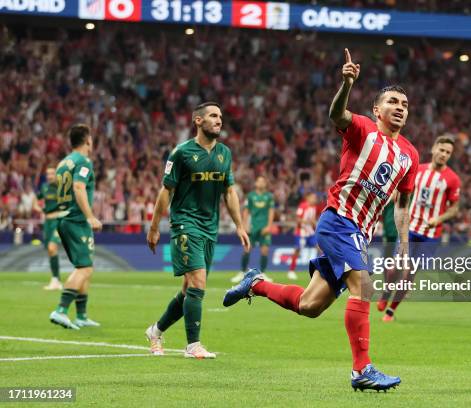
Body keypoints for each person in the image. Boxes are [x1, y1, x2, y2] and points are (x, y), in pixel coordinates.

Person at [223, 49, 419, 391]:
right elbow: (336, 114)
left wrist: (403, 241)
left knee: (309, 306)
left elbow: (402, 203)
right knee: (364, 285)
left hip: (361, 232)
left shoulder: (410, 155)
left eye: (404, 103)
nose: (400, 107)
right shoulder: (362, 129)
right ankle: (362, 370)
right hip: (339, 220)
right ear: (377, 110)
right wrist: (346, 84)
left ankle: (256, 283)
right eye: (392, 101)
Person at [145, 102, 250, 359]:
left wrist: (238, 225)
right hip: (184, 224)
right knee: (198, 283)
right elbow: (165, 191)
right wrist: (154, 226)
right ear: (198, 121)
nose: (219, 120)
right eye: (213, 116)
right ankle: (193, 345)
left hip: (209, 228)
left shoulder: (224, 153)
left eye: (221, 117)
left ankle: (155, 331)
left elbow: (228, 191)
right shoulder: (181, 153)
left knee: (188, 289)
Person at [380, 135, 461, 321]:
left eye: (448, 152)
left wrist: (439, 218)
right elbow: (401, 189)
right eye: (441, 150)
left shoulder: (452, 179)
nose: (444, 155)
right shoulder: (418, 170)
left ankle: (391, 311)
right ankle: (386, 292)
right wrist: (391, 198)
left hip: (430, 235)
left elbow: (454, 209)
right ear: (434, 149)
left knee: (410, 273)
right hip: (410, 226)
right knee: (395, 267)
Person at [49, 124, 102, 330]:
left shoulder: (64, 163)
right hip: (76, 220)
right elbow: (78, 187)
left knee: (84, 267)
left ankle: (81, 315)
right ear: (88, 139)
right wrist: (90, 217)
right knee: (85, 268)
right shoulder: (84, 161)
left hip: (64, 218)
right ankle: (61, 310)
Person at [231, 175, 275, 283]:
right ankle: (242, 272)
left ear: (265, 184)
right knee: (247, 249)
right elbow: (246, 211)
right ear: (255, 183)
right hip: (253, 227)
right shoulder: (250, 196)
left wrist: (269, 226)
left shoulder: (269, 196)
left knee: (265, 250)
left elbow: (271, 211)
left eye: (262, 181)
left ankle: (262, 274)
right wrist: (244, 225)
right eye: (258, 181)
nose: (260, 183)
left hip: (264, 227)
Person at [33, 167, 63, 290]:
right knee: (51, 251)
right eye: (48, 174)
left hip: (59, 221)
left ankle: (57, 280)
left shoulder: (62, 188)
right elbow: (36, 201)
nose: (50, 176)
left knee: (52, 247)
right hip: (48, 222)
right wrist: (39, 208)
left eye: (52, 173)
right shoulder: (44, 187)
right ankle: (56, 280)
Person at [287, 192, 319, 280]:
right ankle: (291, 271)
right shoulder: (303, 206)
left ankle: (321, 270)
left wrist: (315, 224)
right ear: (308, 198)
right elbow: (298, 219)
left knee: (320, 247)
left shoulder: (314, 207)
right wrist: (307, 222)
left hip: (310, 233)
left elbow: (312, 220)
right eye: (313, 197)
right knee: (297, 250)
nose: (315, 199)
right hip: (301, 233)